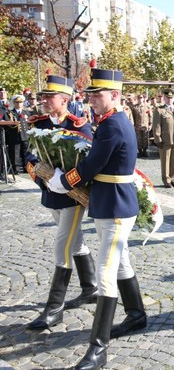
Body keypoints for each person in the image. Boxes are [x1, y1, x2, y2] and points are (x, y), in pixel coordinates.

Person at [47, 68, 147, 370]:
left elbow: (93, 164)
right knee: (122, 261)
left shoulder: (114, 124)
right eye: (90, 95)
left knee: (106, 271)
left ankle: (98, 349)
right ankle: (136, 315)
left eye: (97, 95)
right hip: (110, 202)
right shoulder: (110, 121)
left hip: (115, 207)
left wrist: (64, 182)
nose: (92, 100)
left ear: (114, 95)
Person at [24, 75, 98, 331]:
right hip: (50, 192)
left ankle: (54, 309)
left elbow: (87, 158)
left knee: (62, 247)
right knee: (75, 243)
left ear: (64, 100)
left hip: (72, 197)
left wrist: (65, 180)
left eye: (49, 97)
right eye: (42, 96)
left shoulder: (79, 124)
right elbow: (29, 155)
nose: (43, 100)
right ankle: (90, 288)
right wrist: (44, 177)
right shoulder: (39, 122)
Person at [152, 88, 174, 188]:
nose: (169, 100)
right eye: (167, 98)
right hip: (165, 140)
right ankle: (166, 179)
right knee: (165, 160)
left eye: (171, 98)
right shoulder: (159, 110)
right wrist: (158, 139)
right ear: (164, 98)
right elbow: (156, 126)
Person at [5, 95, 29, 173]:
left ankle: (27, 168)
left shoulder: (27, 112)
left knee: (25, 152)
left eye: (20, 102)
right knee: (15, 153)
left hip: (25, 135)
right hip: (15, 135)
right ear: (14, 103)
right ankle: (15, 169)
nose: (19, 104)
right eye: (17, 102)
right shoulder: (10, 112)